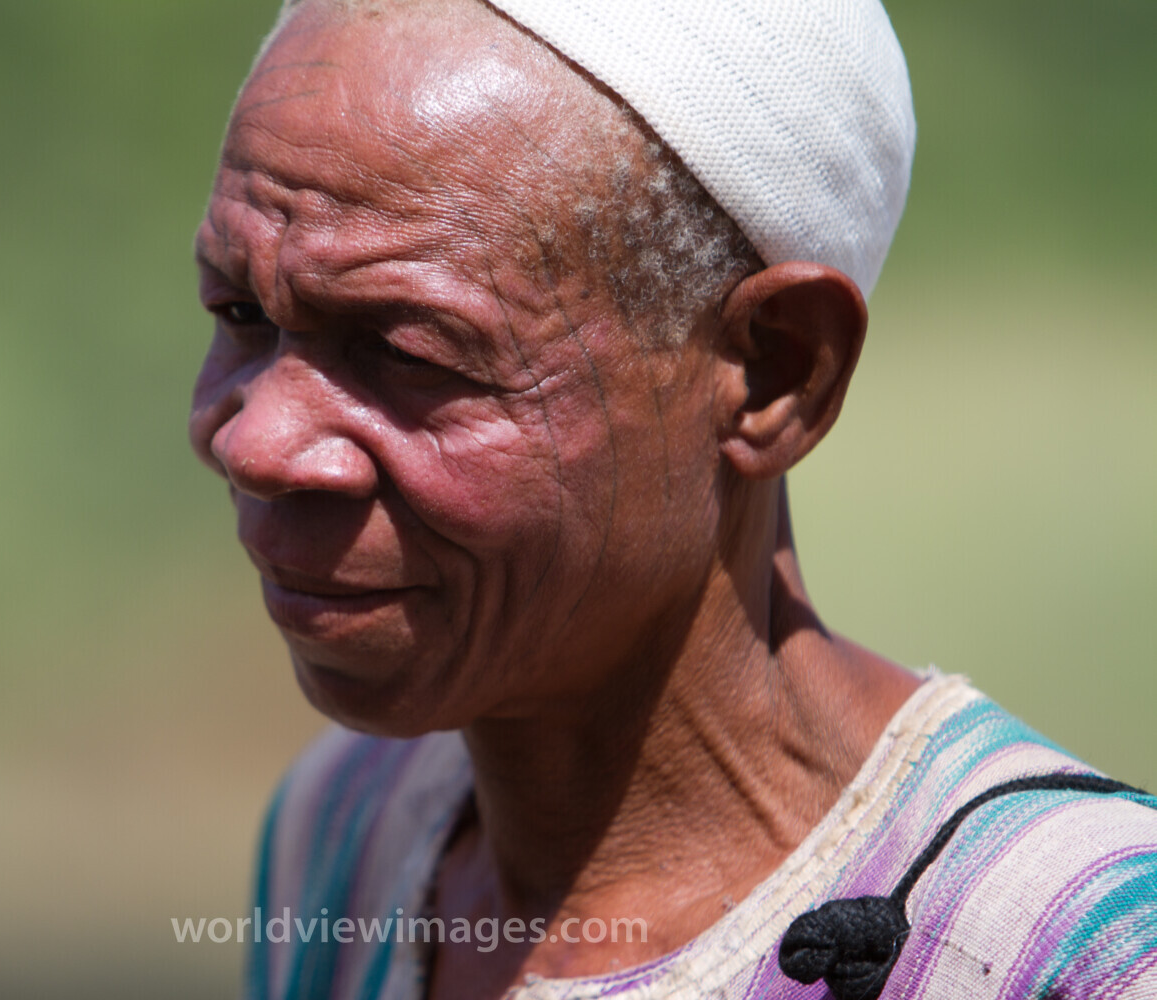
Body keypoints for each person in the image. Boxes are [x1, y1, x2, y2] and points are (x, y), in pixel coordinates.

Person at [187, 0, 1157, 996]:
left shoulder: (1069, 951)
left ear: (777, 372)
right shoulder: (348, 834)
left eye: (406, 352)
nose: (252, 441)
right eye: (238, 310)